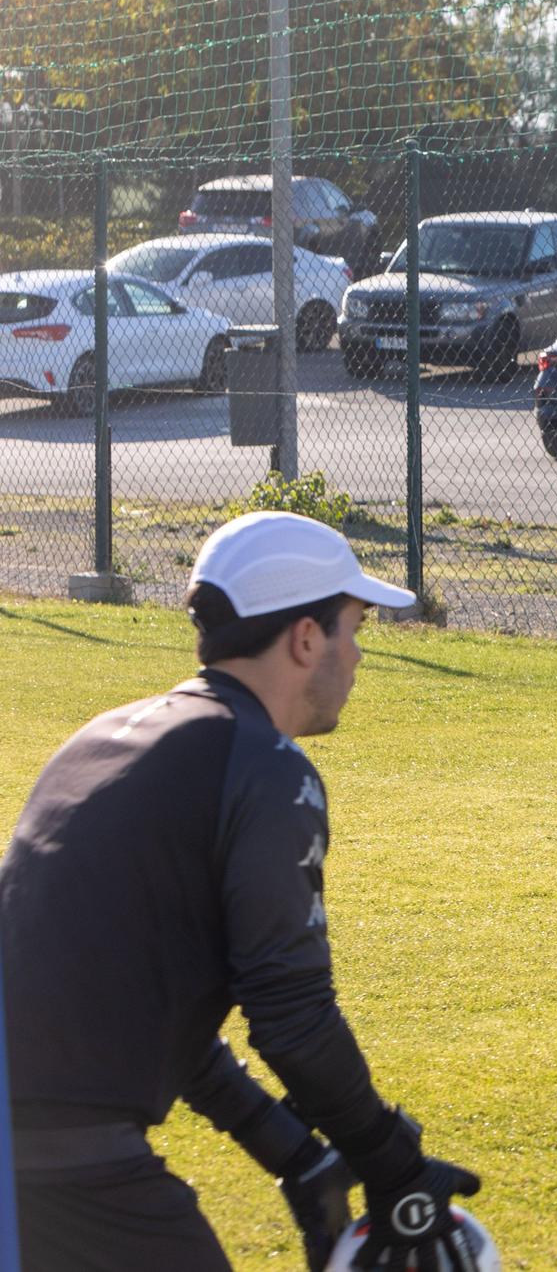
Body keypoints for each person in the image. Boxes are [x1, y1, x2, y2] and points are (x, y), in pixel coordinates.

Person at [1, 510, 485, 1267]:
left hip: (38, 1153)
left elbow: (137, 1000)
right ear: (303, 638)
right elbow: (290, 1012)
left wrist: (295, 1150)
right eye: (354, 627)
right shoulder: (265, 768)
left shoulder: (100, 738)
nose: (357, 655)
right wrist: (393, 1163)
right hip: (61, 1166)